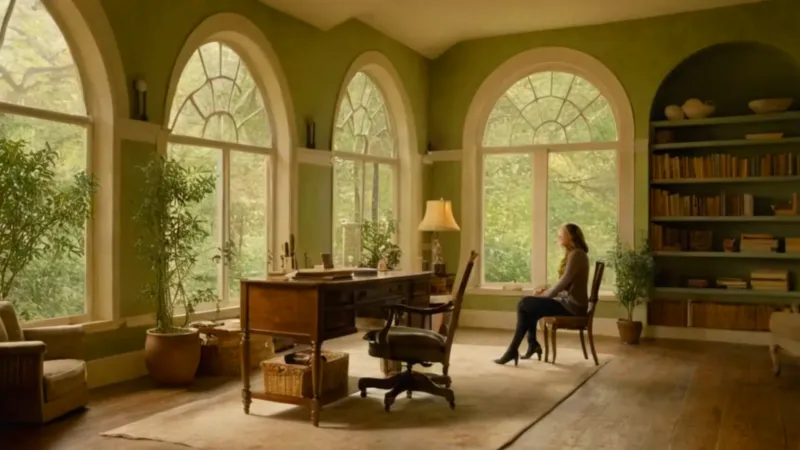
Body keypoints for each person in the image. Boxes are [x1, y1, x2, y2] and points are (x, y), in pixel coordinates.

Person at [494, 223, 590, 366]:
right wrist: (546, 292)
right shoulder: (576, 254)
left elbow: (563, 283)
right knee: (528, 309)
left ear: (570, 237)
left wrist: (545, 295)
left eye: (561, 234)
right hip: (569, 303)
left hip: (572, 307)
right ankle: (529, 346)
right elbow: (567, 286)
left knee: (523, 303)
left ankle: (516, 350)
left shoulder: (577, 254)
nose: (558, 236)